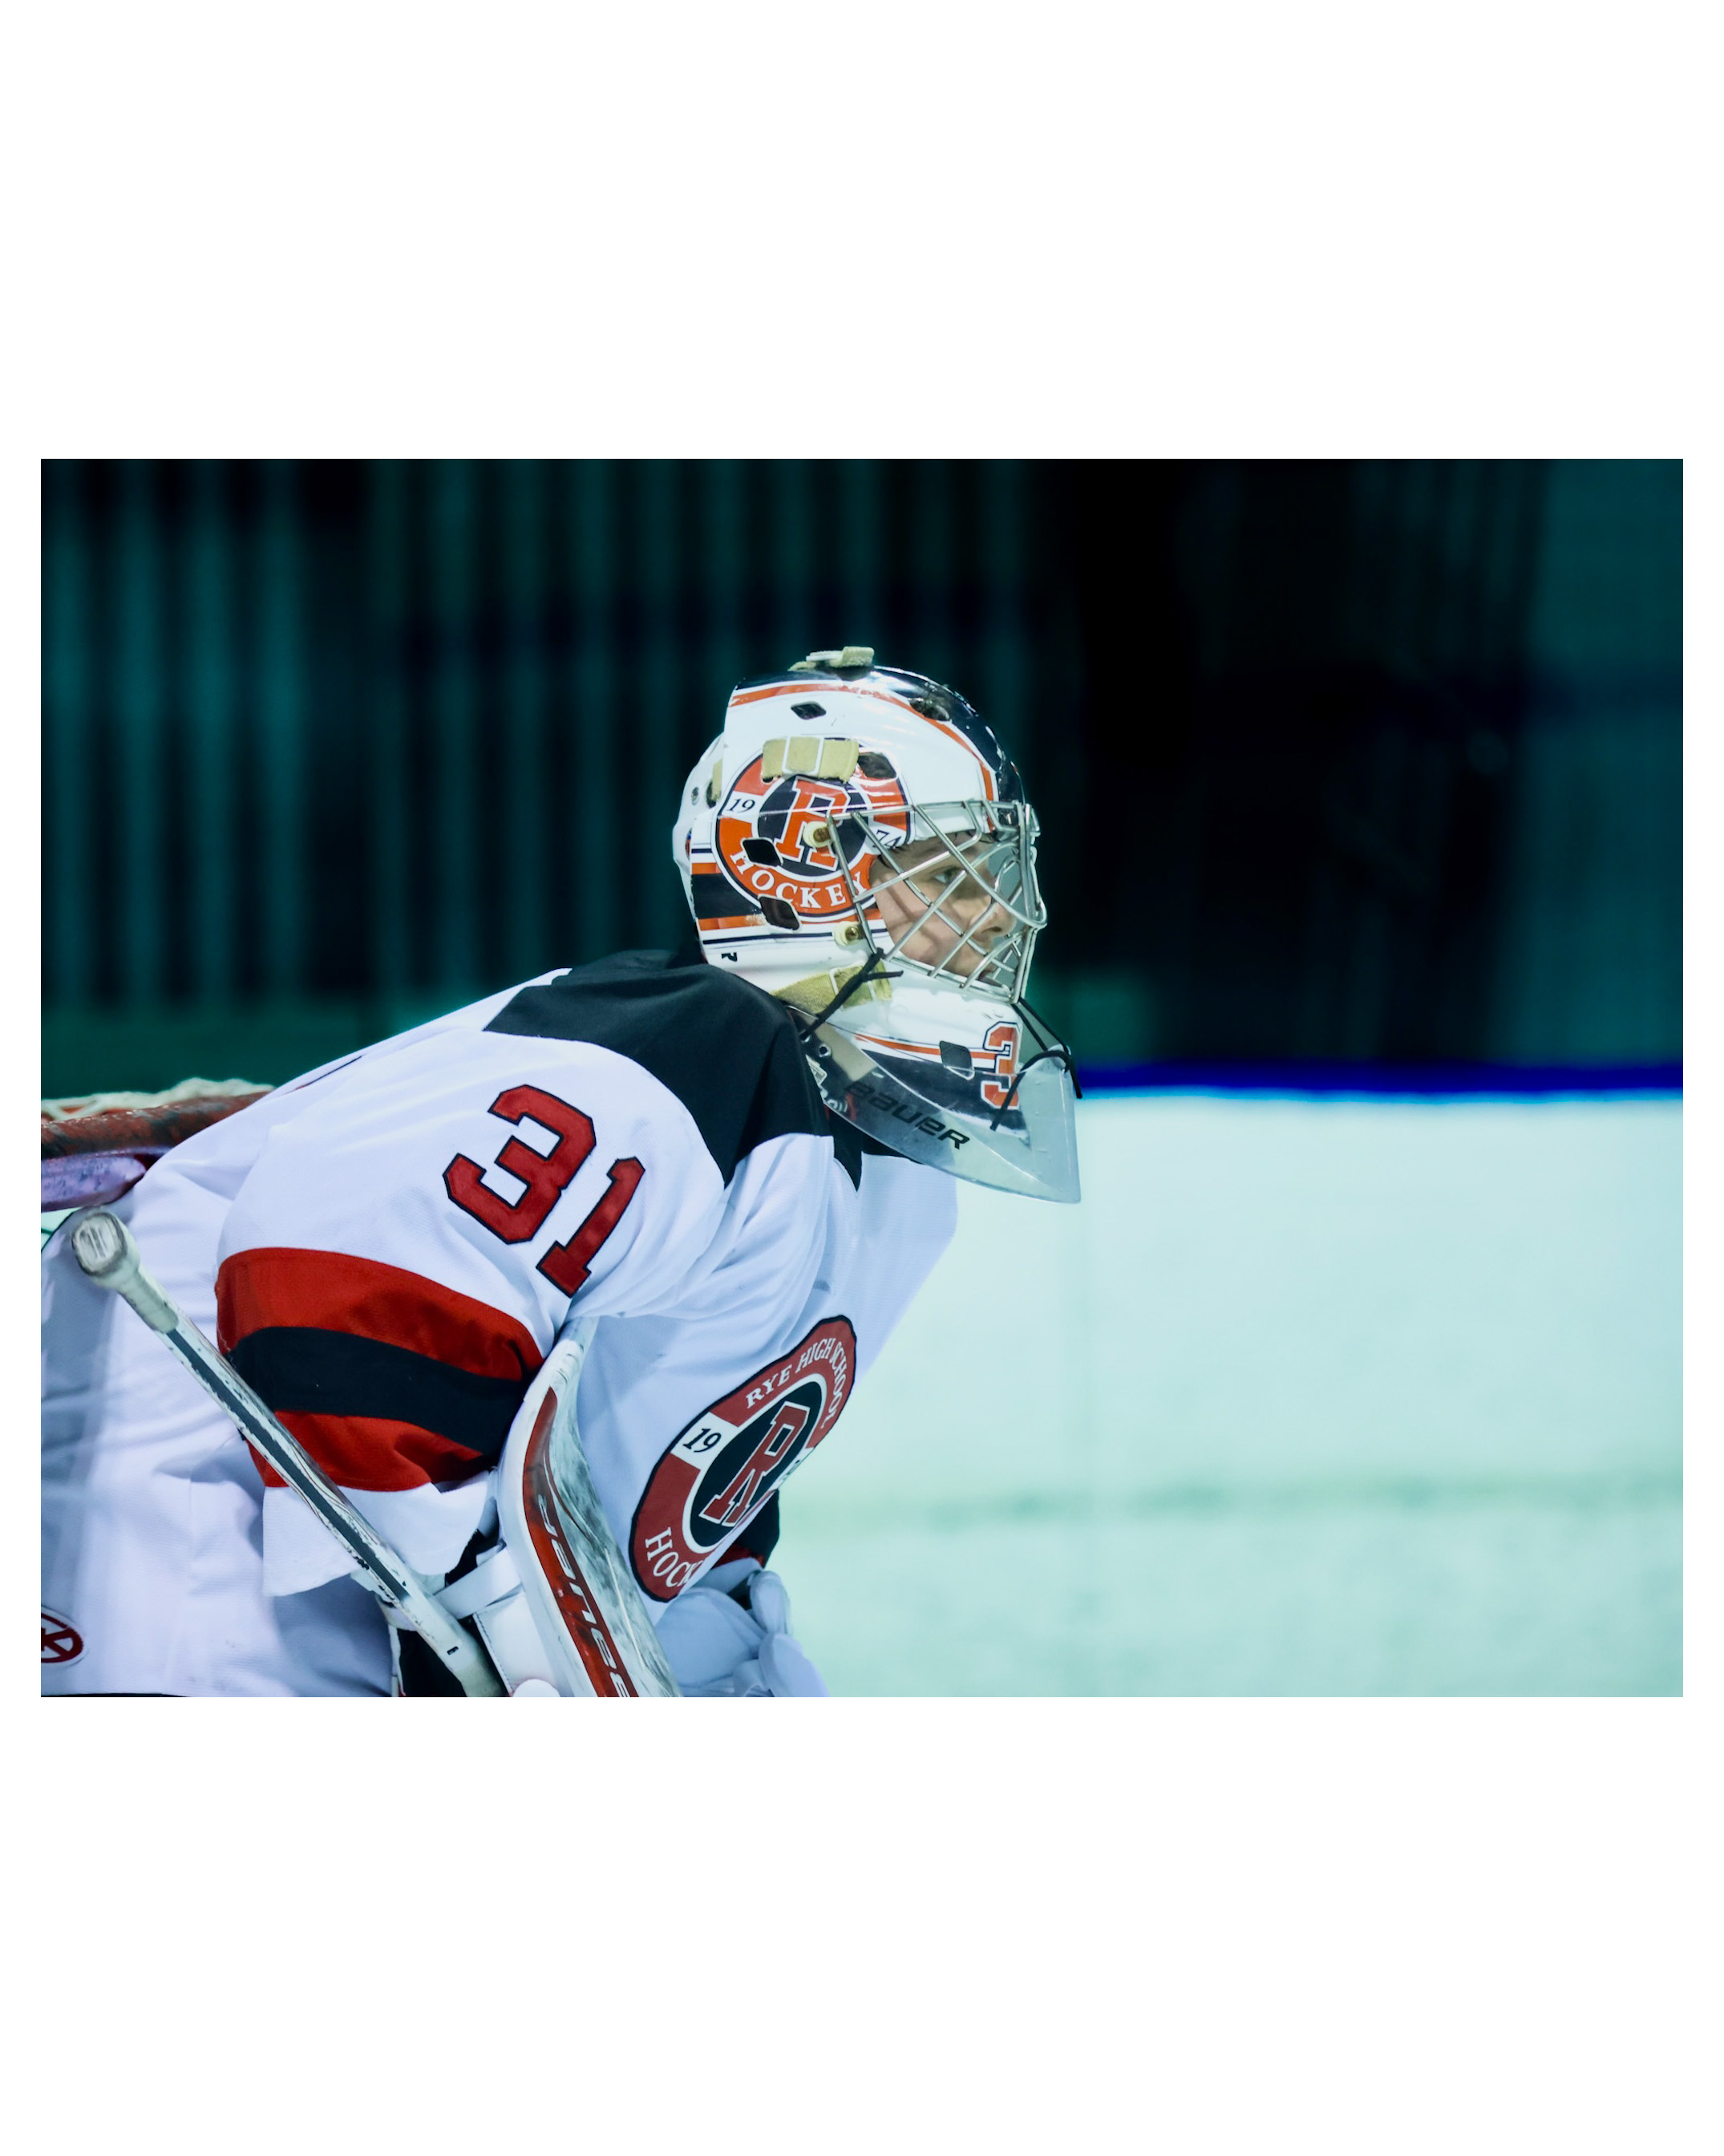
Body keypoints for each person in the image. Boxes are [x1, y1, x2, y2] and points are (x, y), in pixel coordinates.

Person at [40, 648, 1079, 1696]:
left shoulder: (883, 1170)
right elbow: (332, 1276)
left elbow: (661, 1515)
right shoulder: (698, 1050)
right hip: (184, 1596)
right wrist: (470, 1621)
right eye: (943, 874)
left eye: (992, 875)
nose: (1000, 917)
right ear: (800, 874)